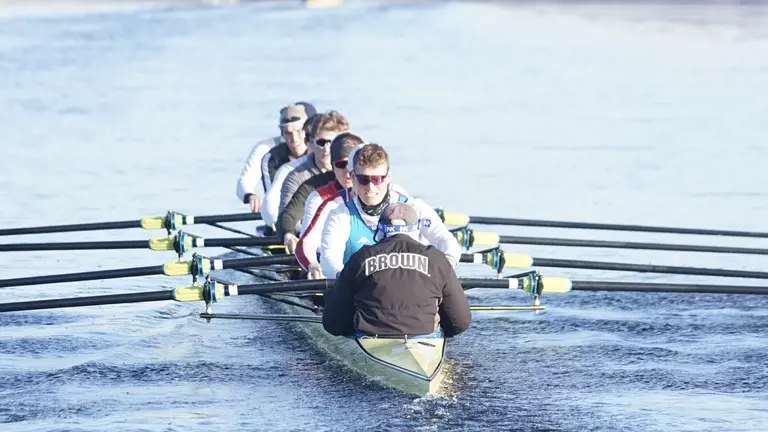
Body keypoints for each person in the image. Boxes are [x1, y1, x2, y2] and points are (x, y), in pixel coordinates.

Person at [322, 201, 471, 338]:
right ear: (415, 229)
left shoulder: (360, 258)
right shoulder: (438, 260)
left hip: (371, 341)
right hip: (424, 341)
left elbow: (334, 324)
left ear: (380, 230)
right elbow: (460, 323)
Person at [319, 143, 461, 279]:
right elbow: (329, 260)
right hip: (360, 292)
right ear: (353, 177)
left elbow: (444, 239)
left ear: (388, 177)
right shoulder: (340, 215)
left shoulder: (415, 208)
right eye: (363, 179)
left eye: (377, 179)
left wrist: (446, 266)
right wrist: (343, 278)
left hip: (412, 289)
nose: (370, 187)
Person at [263, 111, 349, 235]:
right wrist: (289, 235)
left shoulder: (354, 171)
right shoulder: (296, 176)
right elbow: (286, 218)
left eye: (332, 143)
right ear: (311, 142)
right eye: (321, 143)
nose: (326, 148)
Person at [292, 133, 361, 277]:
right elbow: (306, 244)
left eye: (351, 165)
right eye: (341, 165)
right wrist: (312, 264)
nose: (348, 172)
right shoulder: (319, 198)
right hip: (328, 268)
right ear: (332, 167)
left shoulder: (389, 194)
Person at [235, 102, 316, 213]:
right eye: (288, 133)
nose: (294, 138)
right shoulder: (267, 151)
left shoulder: (320, 147)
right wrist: (251, 196)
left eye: (299, 131)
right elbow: (245, 181)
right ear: (282, 133)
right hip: (280, 213)